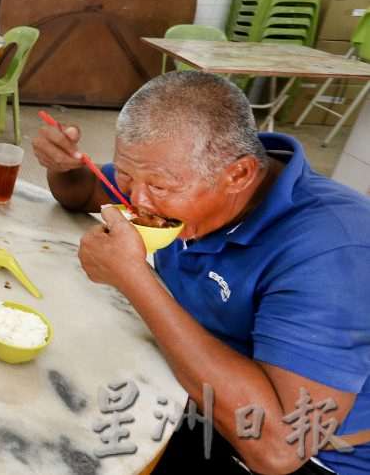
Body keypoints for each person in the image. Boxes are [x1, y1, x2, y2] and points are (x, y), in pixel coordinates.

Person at [31, 70, 370, 474]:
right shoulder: (182, 173)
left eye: (159, 186)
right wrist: (63, 166)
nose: (136, 202)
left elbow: (279, 448)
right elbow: (82, 192)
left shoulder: (332, 251)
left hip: (311, 455)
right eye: (125, 176)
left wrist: (132, 278)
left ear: (239, 175)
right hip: (195, 389)